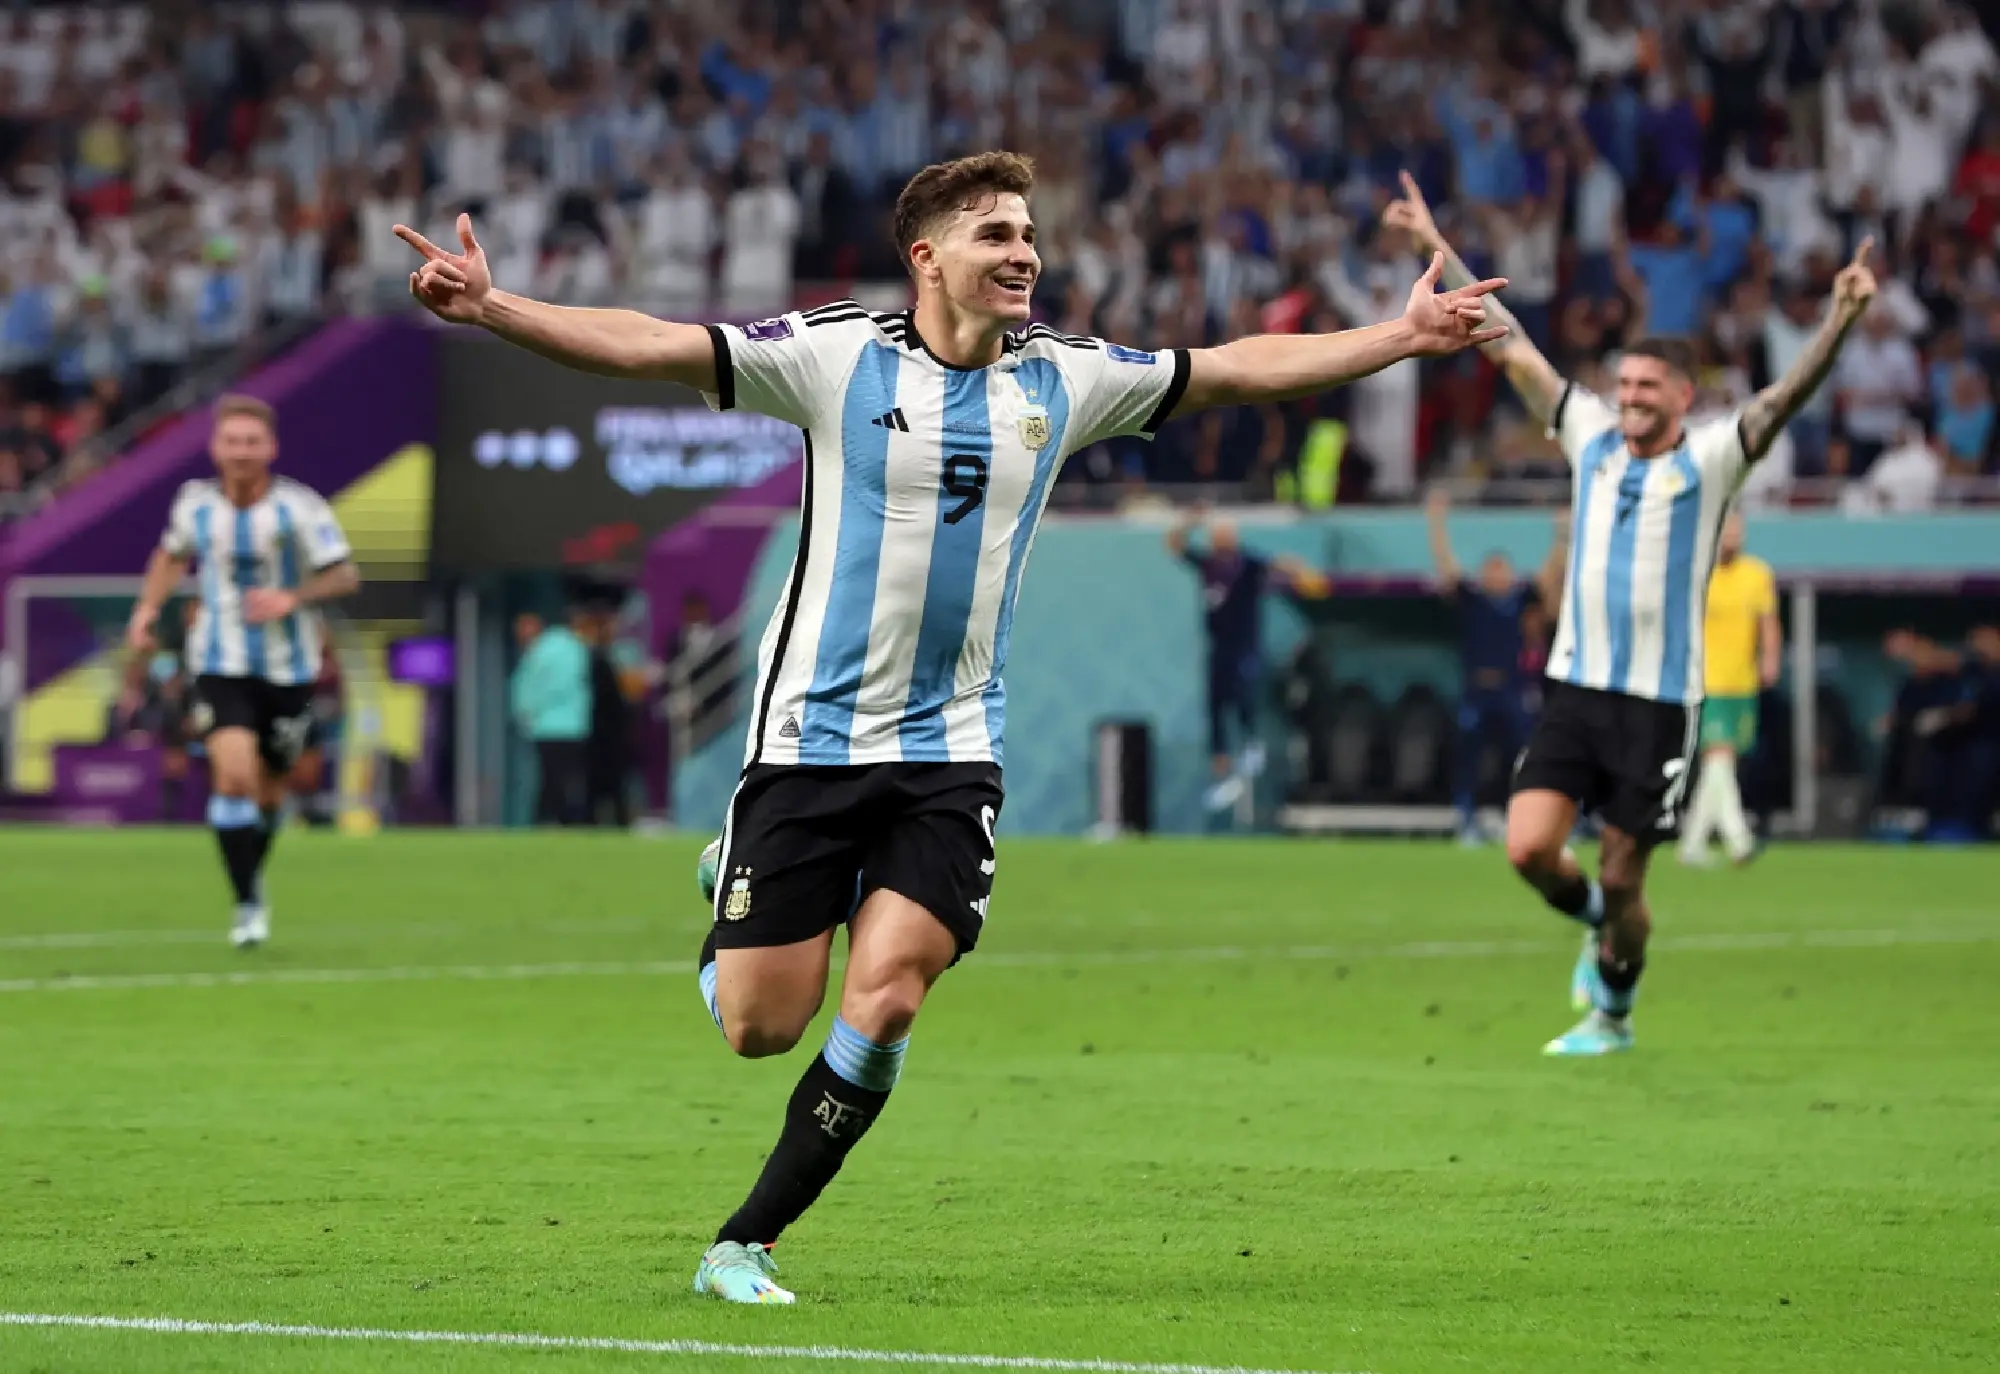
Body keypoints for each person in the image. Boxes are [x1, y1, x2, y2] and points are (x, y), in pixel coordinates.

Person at [398, 149, 1507, 1304]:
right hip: (807, 745)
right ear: (926, 257)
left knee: (885, 997)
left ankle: (743, 1242)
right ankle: (730, 883)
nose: (1022, 252)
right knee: (759, 1028)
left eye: (1026, 233)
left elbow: (1230, 370)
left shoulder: (1065, 379)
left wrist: (1396, 336)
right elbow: (648, 341)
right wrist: (492, 307)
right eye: (993, 235)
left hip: (948, 753)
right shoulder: (836, 358)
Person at [1384, 170, 1877, 1056]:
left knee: (1623, 867)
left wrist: (1840, 320)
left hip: (1659, 704)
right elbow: (1504, 338)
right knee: (1530, 849)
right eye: (1628, 383)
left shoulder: (1717, 457)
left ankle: (1613, 1008)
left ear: (1685, 395)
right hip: (1576, 688)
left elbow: (1784, 398)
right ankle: (1597, 926)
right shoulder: (1588, 433)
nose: (1635, 396)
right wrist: (1435, 240)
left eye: (1651, 386)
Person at [125, 394, 360, 947]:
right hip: (218, 660)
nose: (241, 452)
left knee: (271, 792)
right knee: (233, 776)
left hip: (289, 667)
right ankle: (248, 902)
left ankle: (250, 880)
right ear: (215, 448)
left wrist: (291, 596)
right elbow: (169, 556)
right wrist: (146, 610)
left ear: (271, 448)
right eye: (232, 441)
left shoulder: (301, 508)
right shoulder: (194, 504)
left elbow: (344, 575)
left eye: (252, 442)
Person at [1424, 488, 1566, 844]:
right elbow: (1448, 566)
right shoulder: (1472, 601)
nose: (1496, 575)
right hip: (1477, 690)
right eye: (1491, 569)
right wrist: (1436, 523)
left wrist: (1563, 535)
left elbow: (1549, 574)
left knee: (1520, 756)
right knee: (1469, 756)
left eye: (1502, 569)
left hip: (1512, 690)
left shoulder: (1519, 601)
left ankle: (1518, 817)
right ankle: (1466, 817)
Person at [1163, 510, 1325, 811]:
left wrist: (1304, 573)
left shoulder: (1247, 564)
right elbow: (1173, 544)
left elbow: (1280, 565)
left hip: (1243, 646)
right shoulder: (1208, 564)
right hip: (1218, 646)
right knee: (1215, 704)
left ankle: (1251, 745)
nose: (1221, 539)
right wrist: (1189, 521)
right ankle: (1221, 764)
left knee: (1242, 694)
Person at [1678, 512, 1781, 867]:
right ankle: (1739, 841)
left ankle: (1692, 843)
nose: (1732, 536)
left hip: (1743, 682)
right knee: (1719, 759)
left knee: (1719, 766)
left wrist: (1770, 658)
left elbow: (1767, 623)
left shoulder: (1757, 575)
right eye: (1726, 529)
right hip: (1707, 681)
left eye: (1737, 529)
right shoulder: (1697, 571)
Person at [510, 609, 592, 826]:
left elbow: (529, 688)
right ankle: (569, 821)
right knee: (568, 778)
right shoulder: (575, 647)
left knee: (549, 778)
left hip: (546, 727)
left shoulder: (540, 651)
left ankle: (547, 821)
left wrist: (526, 712)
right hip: (573, 726)